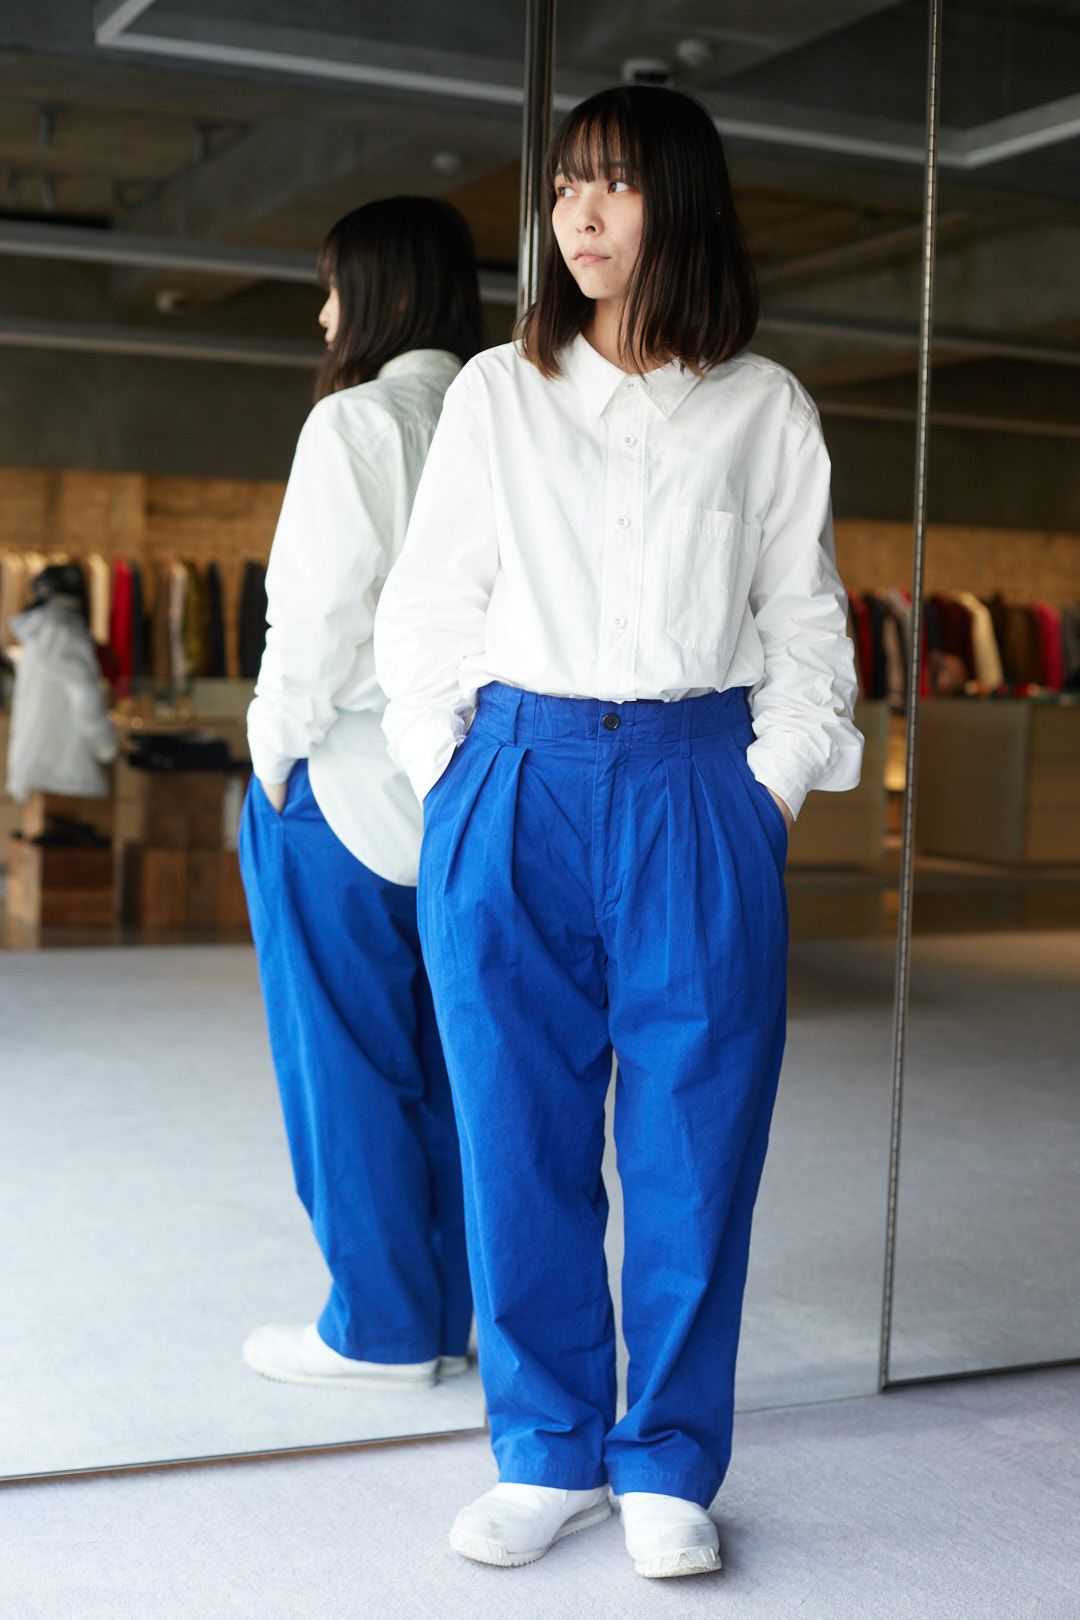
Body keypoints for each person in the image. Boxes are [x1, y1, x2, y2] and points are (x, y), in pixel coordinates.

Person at [374, 87, 863, 1573]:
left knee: (695, 1140)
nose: (578, 216)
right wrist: (452, 780)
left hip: (695, 782)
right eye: (564, 188)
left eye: (616, 186)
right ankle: (545, 1450)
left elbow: (807, 628)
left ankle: (666, 1461)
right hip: (512, 775)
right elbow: (428, 608)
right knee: (513, 1129)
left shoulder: (764, 408)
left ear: (682, 205)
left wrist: (767, 792)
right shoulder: (498, 394)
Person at [238, 197, 485, 1390]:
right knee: (454, 1070)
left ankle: (378, 1331)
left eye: (335, 287)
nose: (326, 314)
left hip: (339, 784)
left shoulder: (358, 422)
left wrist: (268, 752)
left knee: (340, 1062)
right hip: (464, 792)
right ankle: (447, 1319)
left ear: (381, 292)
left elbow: (318, 618)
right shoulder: (500, 414)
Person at [6, 564, 117, 803]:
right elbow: (85, 694)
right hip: (65, 767)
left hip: (40, 761)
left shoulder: (39, 632)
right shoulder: (63, 633)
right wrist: (104, 743)